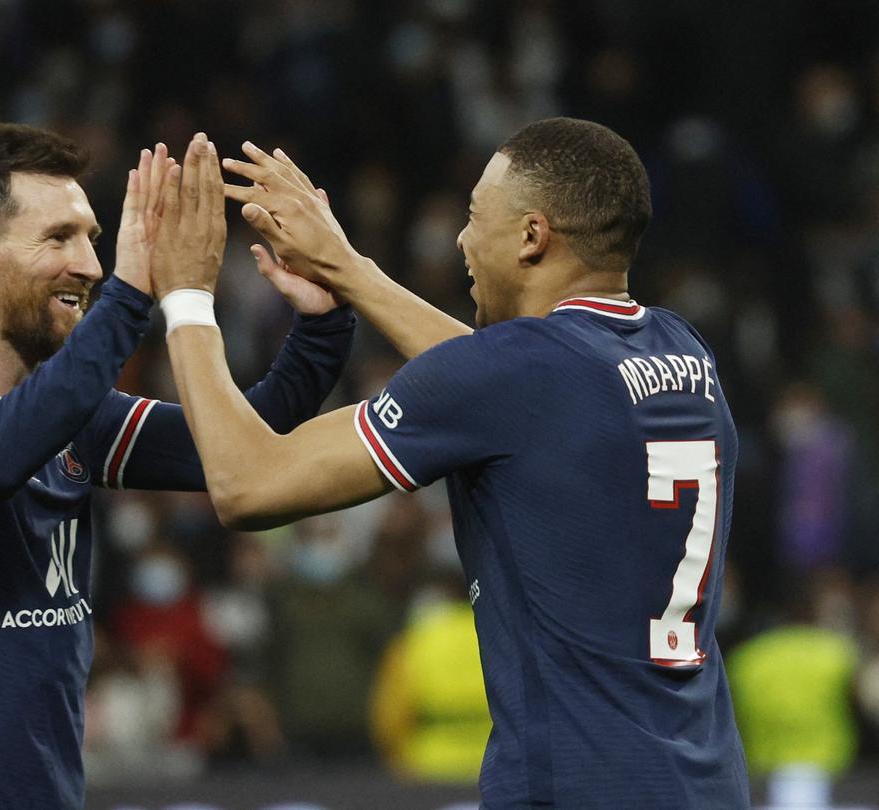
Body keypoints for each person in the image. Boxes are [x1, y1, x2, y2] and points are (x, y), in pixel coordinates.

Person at [152, 120, 749, 807]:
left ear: (531, 236)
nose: (462, 240)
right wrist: (348, 269)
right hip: (706, 782)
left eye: (473, 218)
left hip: (575, 789)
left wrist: (188, 295)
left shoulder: (514, 379)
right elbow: (497, 383)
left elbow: (244, 485)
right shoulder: (681, 351)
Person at [0, 124, 356, 808]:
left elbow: (245, 435)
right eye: (59, 238)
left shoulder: (70, 415)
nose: (89, 264)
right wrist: (130, 297)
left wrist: (321, 322)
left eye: (91, 236)